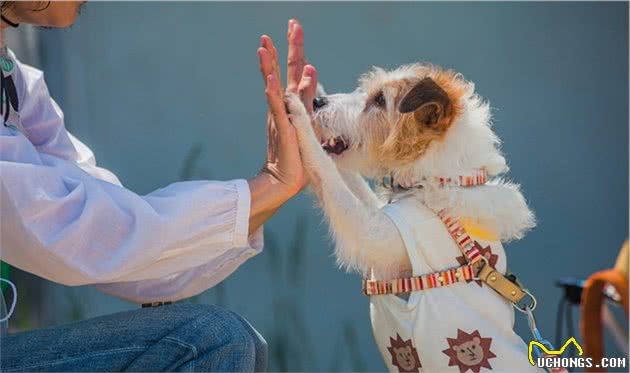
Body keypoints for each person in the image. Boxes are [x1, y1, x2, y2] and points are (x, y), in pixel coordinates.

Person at [0, 1, 319, 371]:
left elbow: (129, 258)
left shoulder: (16, 81)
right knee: (208, 341)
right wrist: (269, 185)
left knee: (226, 340)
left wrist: (278, 183)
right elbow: (68, 228)